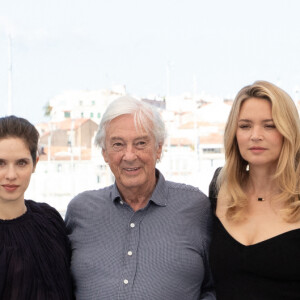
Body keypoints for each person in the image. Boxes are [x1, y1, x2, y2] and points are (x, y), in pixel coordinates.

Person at [65, 96, 215, 299]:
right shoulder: (80, 211)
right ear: (104, 153)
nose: (129, 155)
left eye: (141, 143)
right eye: (118, 144)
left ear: (159, 148)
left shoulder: (196, 208)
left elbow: (217, 286)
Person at [209, 80, 300, 300]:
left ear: (288, 131)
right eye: (245, 126)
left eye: (269, 125)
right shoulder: (219, 187)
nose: (255, 135)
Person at [0, 115, 73, 299]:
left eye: (21, 163)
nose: (11, 175)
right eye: (0, 163)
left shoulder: (49, 219)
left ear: (35, 163)